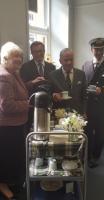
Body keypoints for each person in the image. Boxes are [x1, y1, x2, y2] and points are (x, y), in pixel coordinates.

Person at [0, 42, 29, 199]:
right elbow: (7, 106)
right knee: (7, 157)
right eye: (15, 58)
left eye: (20, 57)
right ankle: (3, 184)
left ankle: (12, 181)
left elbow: (20, 92)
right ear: (5, 58)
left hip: (17, 124)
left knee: (15, 155)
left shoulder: (13, 73)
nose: (19, 61)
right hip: (7, 126)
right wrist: (28, 104)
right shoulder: (4, 76)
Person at [82, 37, 104, 168]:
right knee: (87, 132)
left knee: (99, 134)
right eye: (96, 50)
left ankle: (96, 156)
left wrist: (103, 89)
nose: (99, 52)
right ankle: (87, 156)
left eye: (101, 49)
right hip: (88, 106)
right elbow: (83, 84)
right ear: (91, 50)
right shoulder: (86, 65)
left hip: (101, 106)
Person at [20, 41, 56, 132]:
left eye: (40, 51)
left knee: (47, 130)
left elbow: (54, 85)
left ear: (44, 51)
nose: (38, 54)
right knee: (31, 131)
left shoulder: (52, 67)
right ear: (31, 53)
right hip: (32, 106)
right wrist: (32, 82)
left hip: (48, 105)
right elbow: (21, 87)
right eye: (35, 52)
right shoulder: (25, 67)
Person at [50, 48, 87, 115]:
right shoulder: (53, 75)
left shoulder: (81, 74)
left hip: (77, 116)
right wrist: (53, 96)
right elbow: (49, 95)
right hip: (59, 115)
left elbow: (84, 96)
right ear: (60, 61)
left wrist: (84, 112)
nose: (69, 62)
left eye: (71, 60)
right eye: (66, 60)